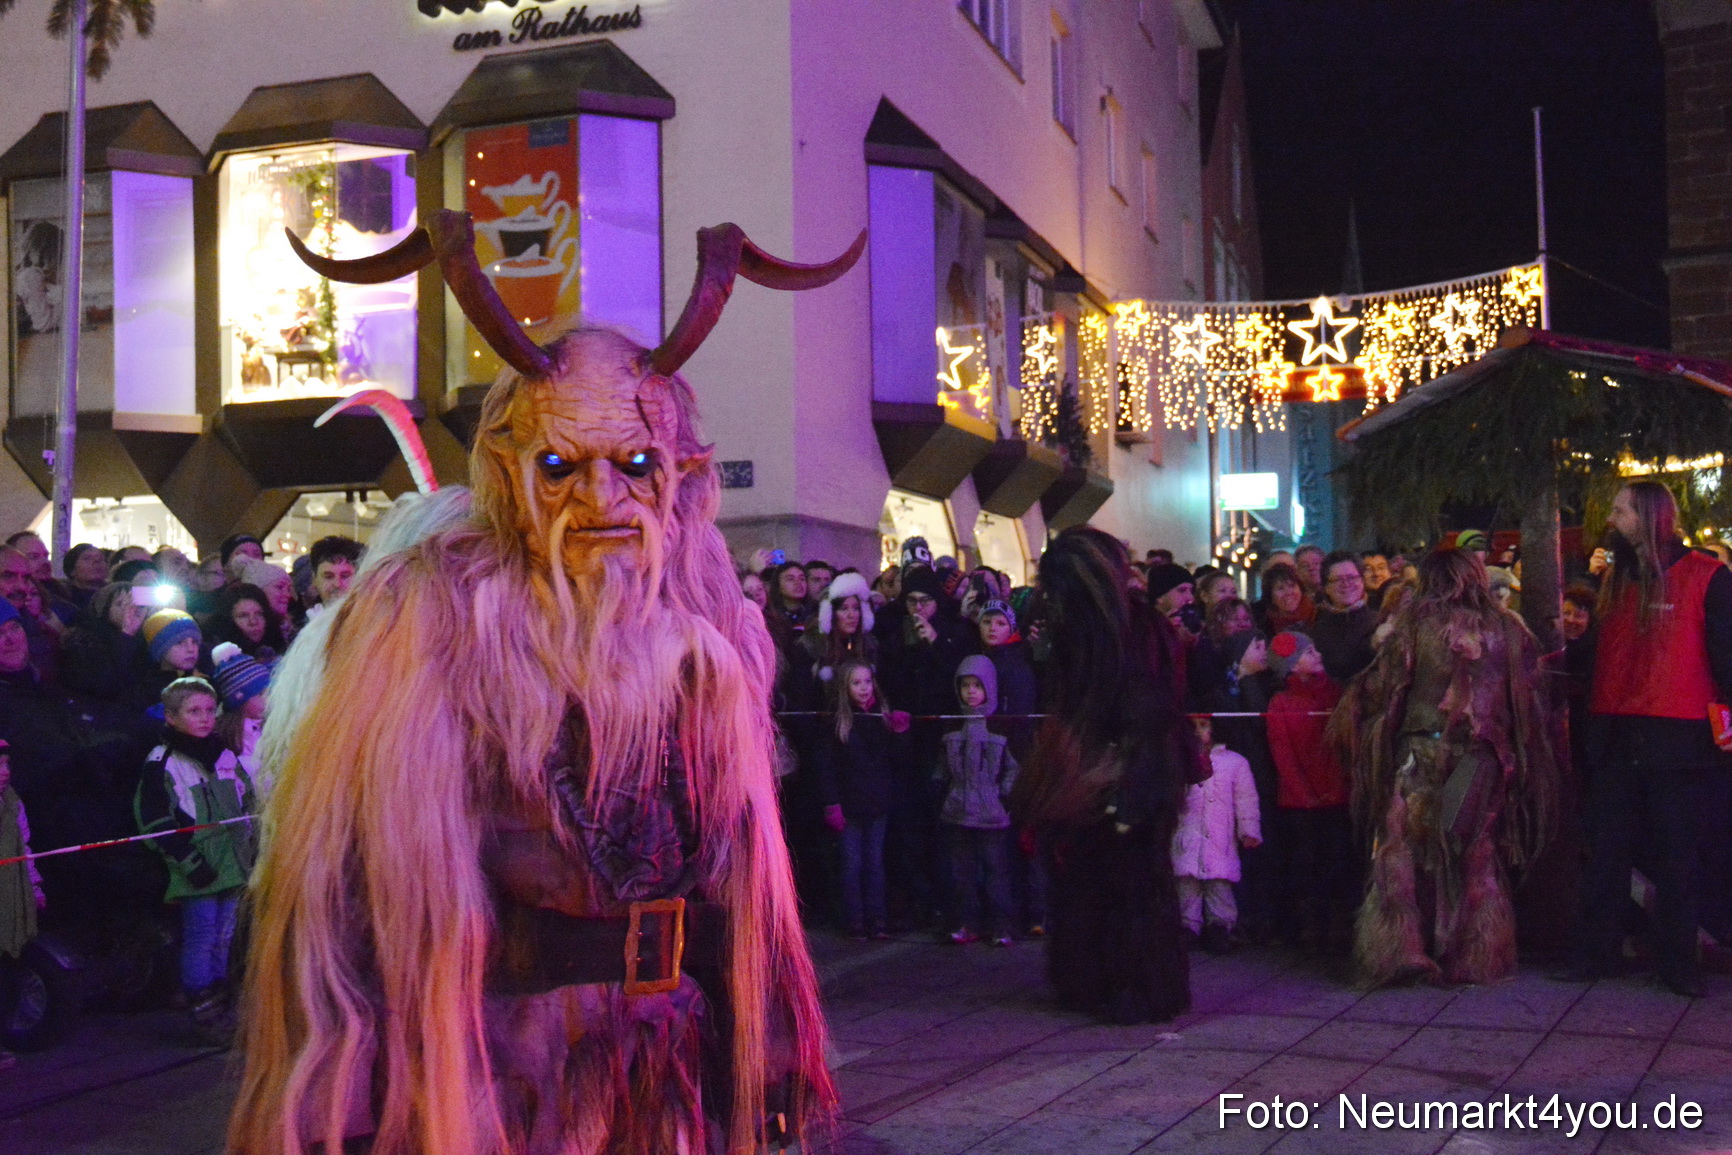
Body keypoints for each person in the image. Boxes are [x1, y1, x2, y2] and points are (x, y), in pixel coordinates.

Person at [1335, 549, 1557, 987]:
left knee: (1399, 848)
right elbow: (1532, 695)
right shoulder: (1509, 629)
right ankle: (1477, 956)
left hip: (1420, 750)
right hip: (1484, 756)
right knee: (1476, 852)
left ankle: (1399, 950)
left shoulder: (1411, 624)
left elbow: (1383, 690)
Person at [1012, 527, 1200, 1024]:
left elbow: (1147, 710)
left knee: (1131, 886)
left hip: (1129, 770)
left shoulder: (1129, 631)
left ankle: (1135, 985)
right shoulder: (1086, 629)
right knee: (1091, 881)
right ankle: (1096, 979)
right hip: (1094, 773)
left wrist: (1134, 787)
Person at [1559, 481, 1732, 997]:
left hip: (1679, 736)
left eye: (1619, 511)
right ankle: (1597, 954)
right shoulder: (1618, 578)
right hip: (1619, 733)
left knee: (1676, 856)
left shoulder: (1708, 577)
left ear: (1648, 516)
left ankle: (1678, 965)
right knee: (1608, 852)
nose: (1610, 519)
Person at [135, 676, 258, 1044]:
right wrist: (190, 863)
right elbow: (155, 821)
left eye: (209, 710)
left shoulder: (223, 755)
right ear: (171, 718)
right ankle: (202, 1011)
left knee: (225, 936)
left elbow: (246, 801)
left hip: (233, 865)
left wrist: (251, 850)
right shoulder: (163, 762)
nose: (205, 718)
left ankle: (223, 1003)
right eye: (194, 711)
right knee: (201, 938)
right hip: (199, 870)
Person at [1263, 631, 1353, 954]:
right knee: (1308, 864)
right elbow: (1283, 755)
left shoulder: (1337, 694)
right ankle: (1311, 929)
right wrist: (1307, 795)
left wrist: (1334, 788)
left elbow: (1340, 748)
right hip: (1301, 803)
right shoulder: (1280, 703)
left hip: (1335, 797)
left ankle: (1340, 929)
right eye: (1308, 651)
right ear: (1291, 665)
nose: (1318, 654)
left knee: (1339, 861)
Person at [816, 659, 906, 940]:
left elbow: (897, 761)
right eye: (857, 683)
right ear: (846, 687)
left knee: (875, 863)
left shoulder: (881, 715)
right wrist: (832, 803)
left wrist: (900, 735)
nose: (864, 688)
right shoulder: (837, 720)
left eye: (867, 682)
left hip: (877, 802)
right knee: (851, 865)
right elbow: (826, 766)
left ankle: (877, 919)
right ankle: (855, 920)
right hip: (850, 804)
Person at [937, 656, 1020, 947]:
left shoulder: (1000, 730)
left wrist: (1001, 792)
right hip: (958, 810)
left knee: (996, 872)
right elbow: (942, 769)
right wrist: (945, 787)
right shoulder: (951, 730)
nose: (971, 692)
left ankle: (1002, 926)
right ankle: (966, 923)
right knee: (962, 874)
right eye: (965, 686)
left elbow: (1012, 767)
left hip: (991, 813)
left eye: (977, 686)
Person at [1171, 715, 1261, 954]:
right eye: (1194, 727)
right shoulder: (1179, 760)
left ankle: (1220, 927)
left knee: (1219, 886)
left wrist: (1249, 830)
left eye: (1204, 726)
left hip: (1219, 837)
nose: (1199, 732)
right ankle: (1189, 926)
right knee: (1187, 886)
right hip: (1188, 835)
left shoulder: (1235, 762)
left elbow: (1246, 799)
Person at [212, 642, 273, 797]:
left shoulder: (271, 725)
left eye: (269, 691)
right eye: (260, 694)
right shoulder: (230, 738)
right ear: (240, 701)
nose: (268, 698)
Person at [1311, 550, 1378, 683]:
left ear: (1362, 581)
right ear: (1326, 588)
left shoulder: (1379, 622)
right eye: (1338, 580)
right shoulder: (1317, 632)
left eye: (1352, 577)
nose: (1346, 584)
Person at [207, 583, 286, 667]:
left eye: (259, 614)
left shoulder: (280, 650)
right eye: (243, 616)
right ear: (229, 621)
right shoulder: (220, 662)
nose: (253, 622)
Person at [306, 536, 362, 617]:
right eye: (328, 576)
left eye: (345, 576)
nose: (337, 584)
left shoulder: (372, 624)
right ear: (314, 580)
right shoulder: (306, 626)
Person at [1254, 562, 1314, 636]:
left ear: (1300, 589)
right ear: (1270, 596)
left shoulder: (1319, 617)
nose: (1288, 592)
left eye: (1292, 586)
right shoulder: (1263, 626)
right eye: (1280, 588)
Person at [61, 543, 109, 611]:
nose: (96, 561)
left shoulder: (116, 596)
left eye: (101, 558)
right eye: (87, 558)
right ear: (72, 570)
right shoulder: (64, 599)